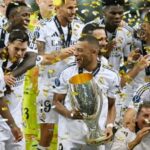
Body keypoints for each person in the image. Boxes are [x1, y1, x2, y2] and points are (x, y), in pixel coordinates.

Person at [0, 29, 75, 150]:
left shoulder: (27, 57)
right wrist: (3, 79)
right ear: (8, 44)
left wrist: (12, 75)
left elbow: (39, 57)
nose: (19, 53)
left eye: (23, 50)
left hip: (16, 120)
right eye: (16, 49)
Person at [53, 35, 120, 150]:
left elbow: (111, 105)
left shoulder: (111, 75)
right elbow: (56, 102)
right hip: (69, 137)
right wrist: (70, 114)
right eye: (75, 50)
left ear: (94, 51)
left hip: (96, 137)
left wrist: (109, 126)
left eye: (80, 50)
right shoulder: (66, 72)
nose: (75, 54)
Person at [36, 0, 84, 149]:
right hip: (48, 86)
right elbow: (38, 58)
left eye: (75, 7)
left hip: (72, 87)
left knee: (71, 131)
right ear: (58, 8)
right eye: (70, 8)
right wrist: (60, 54)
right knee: (47, 132)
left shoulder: (80, 27)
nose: (73, 11)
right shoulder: (43, 27)